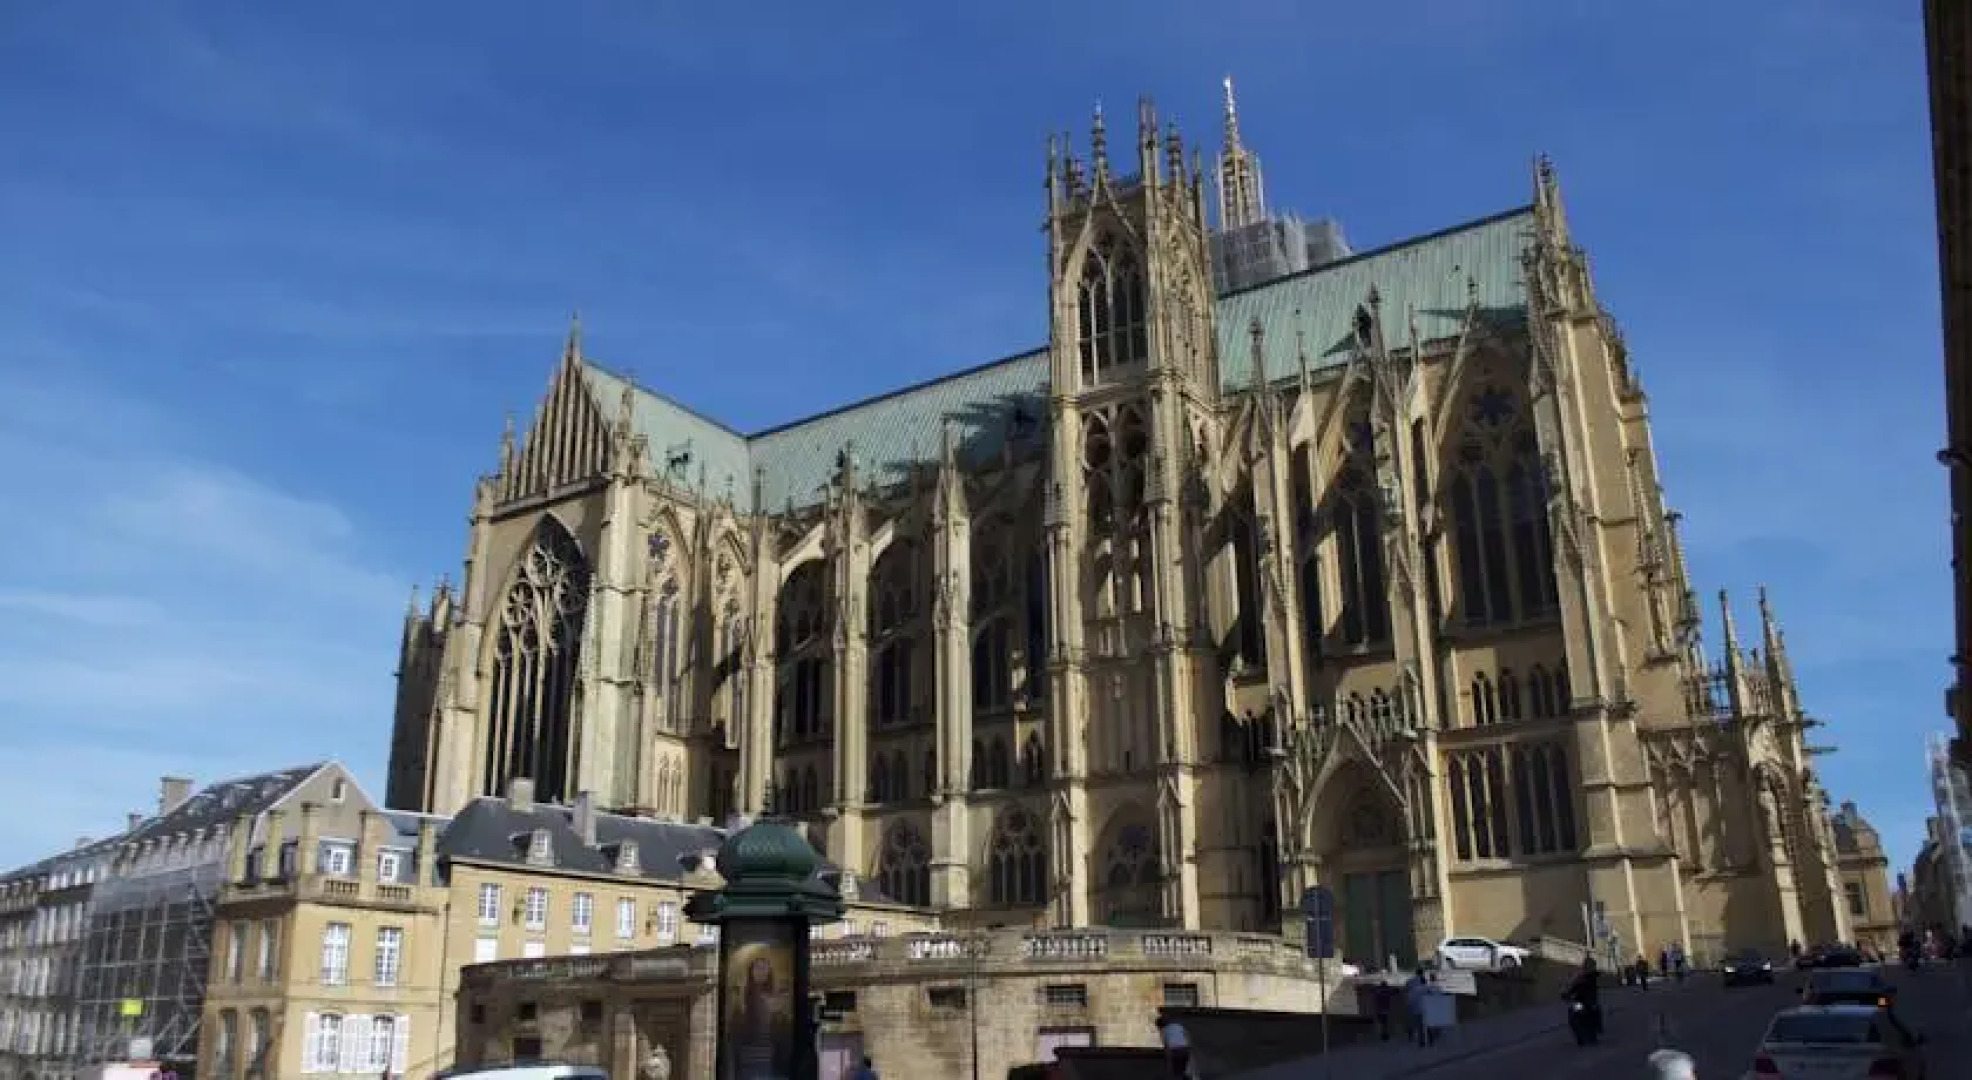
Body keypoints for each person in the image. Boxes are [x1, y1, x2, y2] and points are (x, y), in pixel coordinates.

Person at [1564, 958, 1603, 1046]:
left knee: (1595, 1009)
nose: (1586, 966)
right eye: (1586, 964)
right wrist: (1567, 994)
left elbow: (1595, 977)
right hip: (1579, 1000)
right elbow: (1574, 986)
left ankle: (1597, 1028)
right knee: (1572, 1012)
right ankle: (1578, 1034)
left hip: (1590, 1000)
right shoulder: (1579, 976)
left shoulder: (1593, 975)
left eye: (1588, 965)